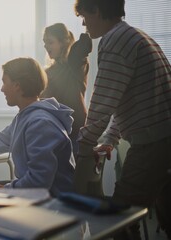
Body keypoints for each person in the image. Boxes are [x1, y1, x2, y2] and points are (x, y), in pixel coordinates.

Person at [74, 0, 171, 238]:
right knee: (167, 213)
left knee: (118, 220)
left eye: (84, 16)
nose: (84, 24)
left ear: (96, 10)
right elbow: (129, 100)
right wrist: (110, 138)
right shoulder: (136, 36)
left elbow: (104, 100)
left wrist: (83, 146)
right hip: (163, 138)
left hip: (153, 144)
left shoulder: (115, 41)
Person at [0, 57, 75, 197]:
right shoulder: (25, 118)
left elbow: (39, 180)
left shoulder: (40, 123)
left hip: (50, 204)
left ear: (17, 85)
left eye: (4, 82)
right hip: (35, 194)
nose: (1, 89)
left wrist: (9, 189)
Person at [41, 23, 92, 156]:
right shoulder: (48, 72)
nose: (46, 46)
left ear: (63, 43)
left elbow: (83, 47)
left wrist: (88, 27)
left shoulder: (74, 67)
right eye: (45, 42)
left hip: (74, 131)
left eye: (50, 42)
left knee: (72, 174)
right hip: (54, 132)